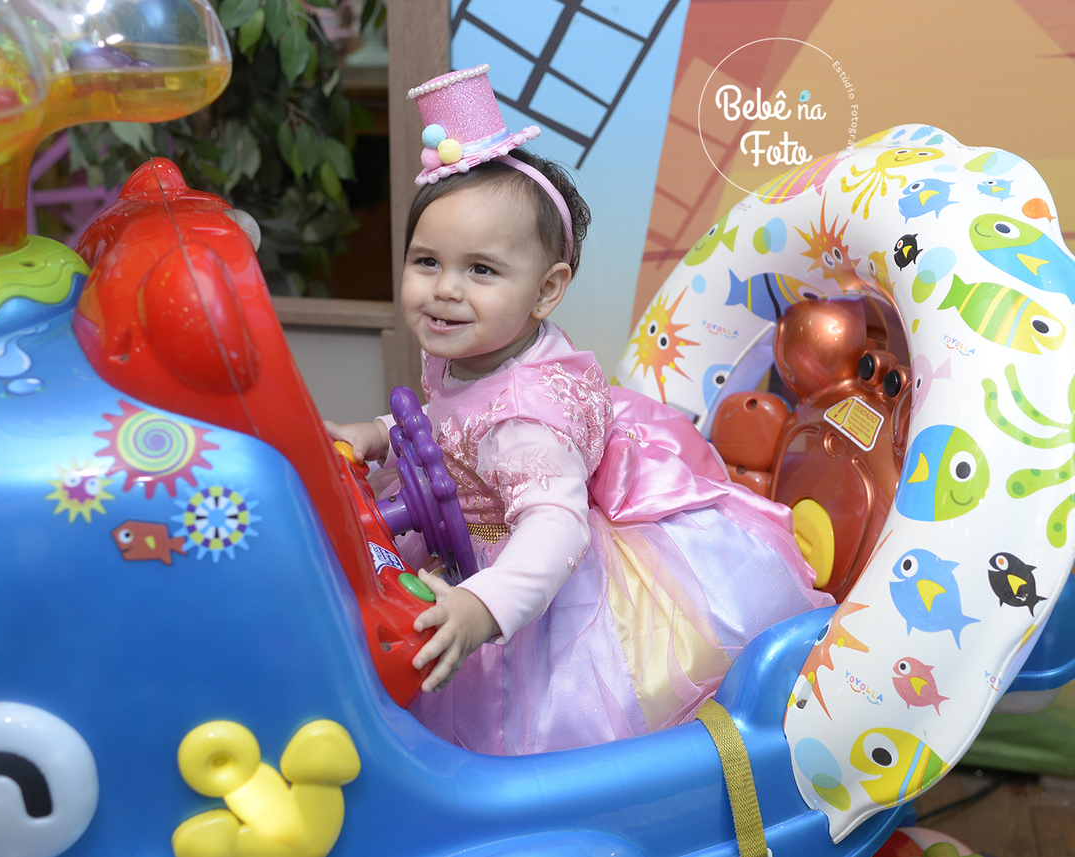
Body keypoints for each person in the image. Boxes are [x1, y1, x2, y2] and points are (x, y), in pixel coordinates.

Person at [326, 65, 833, 755]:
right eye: (426, 262)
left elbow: (554, 529)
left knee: (513, 729)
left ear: (546, 290)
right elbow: (449, 425)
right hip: (477, 527)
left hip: (535, 577)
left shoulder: (527, 424)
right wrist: (383, 434)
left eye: (481, 270)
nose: (445, 289)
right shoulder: (474, 344)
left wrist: (483, 605)